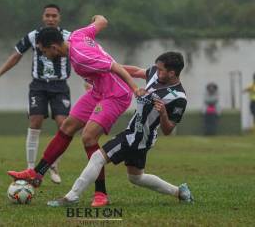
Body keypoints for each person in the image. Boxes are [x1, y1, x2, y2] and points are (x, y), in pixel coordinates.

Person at [7, 15, 146, 207]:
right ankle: (37, 173)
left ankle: (101, 193)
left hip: (115, 94)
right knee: (67, 126)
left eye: (43, 51)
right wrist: (96, 18)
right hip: (99, 90)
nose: (44, 55)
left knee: (88, 137)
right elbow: (103, 21)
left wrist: (135, 87)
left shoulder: (80, 58)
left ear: (54, 48)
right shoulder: (78, 35)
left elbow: (114, 67)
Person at [46, 52, 194, 207]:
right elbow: (134, 71)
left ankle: (71, 197)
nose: (156, 72)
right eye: (156, 68)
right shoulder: (155, 74)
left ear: (172, 73)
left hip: (136, 137)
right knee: (136, 177)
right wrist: (103, 71)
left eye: (160, 70)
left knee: (97, 157)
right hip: (139, 136)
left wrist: (163, 113)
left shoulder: (178, 98)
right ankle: (180, 192)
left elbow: (169, 129)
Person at [0, 4, 70, 184]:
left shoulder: (68, 37)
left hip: (60, 86)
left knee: (64, 124)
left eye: (54, 16)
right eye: (48, 15)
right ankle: (31, 168)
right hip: (38, 86)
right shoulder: (33, 36)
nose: (51, 19)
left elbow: (79, 56)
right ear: (42, 17)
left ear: (59, 18)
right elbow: (16, 56)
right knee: (35, 120)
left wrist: (88, 80)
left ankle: (54, 164)